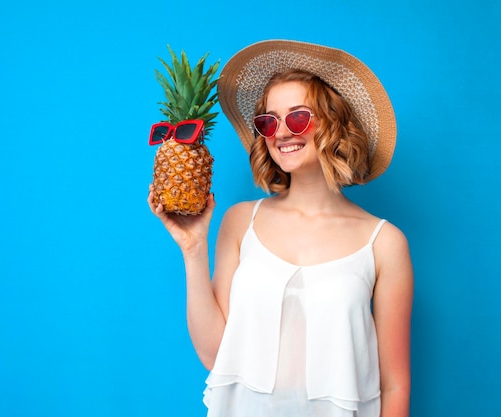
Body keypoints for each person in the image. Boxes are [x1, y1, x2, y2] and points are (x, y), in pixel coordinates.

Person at [148, 40, 414, 417]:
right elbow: (215, 356)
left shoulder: (384, 242)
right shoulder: (241, 222)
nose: (282, 132)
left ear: (335, 123)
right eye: (269, 121)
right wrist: (193, 249)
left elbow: (395, 385)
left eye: (299, 117)